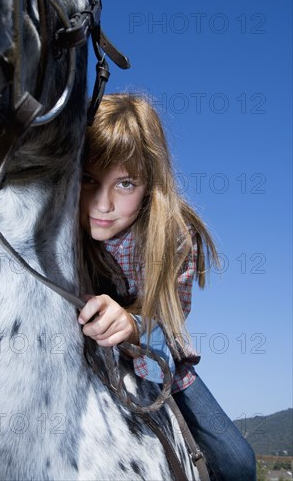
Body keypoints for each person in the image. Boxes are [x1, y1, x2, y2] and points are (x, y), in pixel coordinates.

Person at [78, 93, 256, 480]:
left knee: (238, 461)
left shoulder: (173, 235)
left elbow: (171, 315)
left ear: (149, 184)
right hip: (73, 356)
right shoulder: (55, 227)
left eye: (125, 183)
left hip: (153, 356)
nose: (103, 203)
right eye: (89, 179)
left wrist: (133, 322)